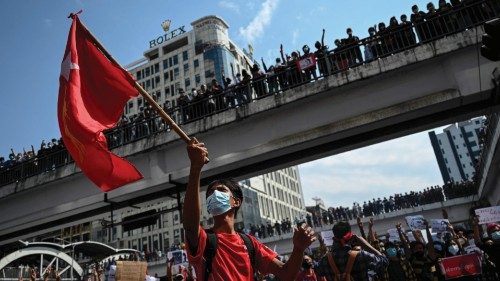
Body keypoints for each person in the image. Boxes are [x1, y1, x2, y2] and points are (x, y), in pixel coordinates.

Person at [183, 139, 317, 281]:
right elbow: (190, 225)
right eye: (210, 193)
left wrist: (298, 249)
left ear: (236, 201)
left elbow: (286, 274)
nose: (215, 194)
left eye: (221, 190)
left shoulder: (250, 243)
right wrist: (195, 167)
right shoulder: (204, 240)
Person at [316, 221, 388, 280]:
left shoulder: (325, 260)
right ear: (350, 236)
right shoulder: (361, 255)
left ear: (334, 238)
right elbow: (384, 261)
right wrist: (366, 245)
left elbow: (318, 271)